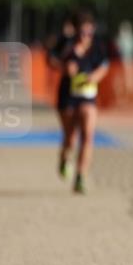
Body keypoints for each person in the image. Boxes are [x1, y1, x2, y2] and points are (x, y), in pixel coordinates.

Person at [66, 14, 109, 194]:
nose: (86, 36)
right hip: (71, 99)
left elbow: (104, 67)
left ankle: (80, 175)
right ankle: (65, 158)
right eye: (83, 33)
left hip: (89, 99)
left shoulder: (97, 50)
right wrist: (75, 74)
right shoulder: (71, 49)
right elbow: (69, 70)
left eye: (90, 33)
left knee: (88, 136)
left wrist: (95, 77)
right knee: (71, 139)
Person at [48, 16, 77, 179]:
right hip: (66, 92)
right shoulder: (62, 41)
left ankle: (72, 163)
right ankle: (65, 158)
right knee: (69, 133)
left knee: (76, 133)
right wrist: (63, 67)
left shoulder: (88, 43)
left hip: (83, 94)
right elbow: (50, 59)